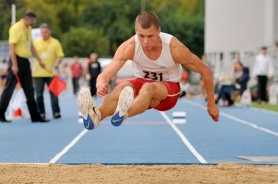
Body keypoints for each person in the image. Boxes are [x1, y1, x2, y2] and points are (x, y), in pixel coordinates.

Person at [77, 12, 219, 130]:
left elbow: (205, 71)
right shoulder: (130, 46)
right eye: (141, 36)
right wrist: (101, 83)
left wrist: (211, 103)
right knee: (122, 87)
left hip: (168, 90)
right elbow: (107, 73)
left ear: (159, 31)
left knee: (148, 87)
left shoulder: (174, 49)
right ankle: (96, 117)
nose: (145, 41)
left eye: (150, 36)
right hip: (141, 83)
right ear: (135, 32)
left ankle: (125, 112)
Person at [0, 10, 49, 123]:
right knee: (9, 89)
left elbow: (32, 47)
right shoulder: (16, 28)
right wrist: (14, 64)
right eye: (33, 20)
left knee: (29, 89)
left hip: (25, 61)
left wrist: (40, 60)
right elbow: (12, 48)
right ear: (27, 18)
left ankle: (35, 116)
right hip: (16, 60)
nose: (34, 22)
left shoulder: (28, 29)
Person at [32, 23, 64, 119]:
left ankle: (56, 112)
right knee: (39, 94)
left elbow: (60, 55)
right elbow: (32, 53)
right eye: (42, 32)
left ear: (49, 31)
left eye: (45, 32)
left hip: (51, 73)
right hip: (38, 73)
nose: (44, 34)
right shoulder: (36, 42)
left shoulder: (55, 42)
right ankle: (40, 112)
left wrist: (57, 63)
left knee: (54, 93)